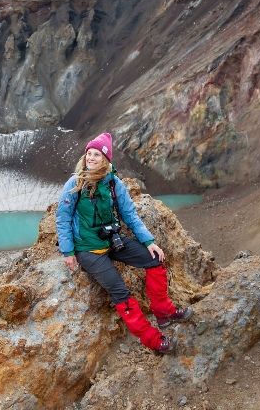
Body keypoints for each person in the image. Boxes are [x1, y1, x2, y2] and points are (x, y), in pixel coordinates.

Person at [56, 132, 193, 354]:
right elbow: (62, 217)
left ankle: (163, 310)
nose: (91, 158)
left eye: (96, 155)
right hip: (88, 250)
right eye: (88, 153)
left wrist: (149, 241)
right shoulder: (75, 183)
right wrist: (67, 250)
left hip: (111, 241)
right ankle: (154, 341)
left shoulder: (113, 183)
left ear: (106, 160)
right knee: (121, 293)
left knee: (155, 260)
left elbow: (130, 215)